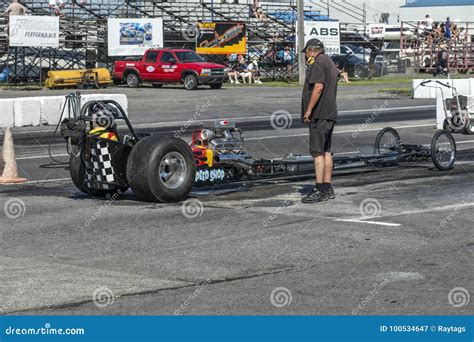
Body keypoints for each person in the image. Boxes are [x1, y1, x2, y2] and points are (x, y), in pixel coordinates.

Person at [301, 39, 339, 203]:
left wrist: (309, 110)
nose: (305, 56)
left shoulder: (318, 63)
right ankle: (327, 187)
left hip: (319, 114)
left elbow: (318, 87)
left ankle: (319, 188)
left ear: (311, 50)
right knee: (326, 152)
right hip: (330, 113)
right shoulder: (330, 62)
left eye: (306, 53)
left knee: (316, 153)